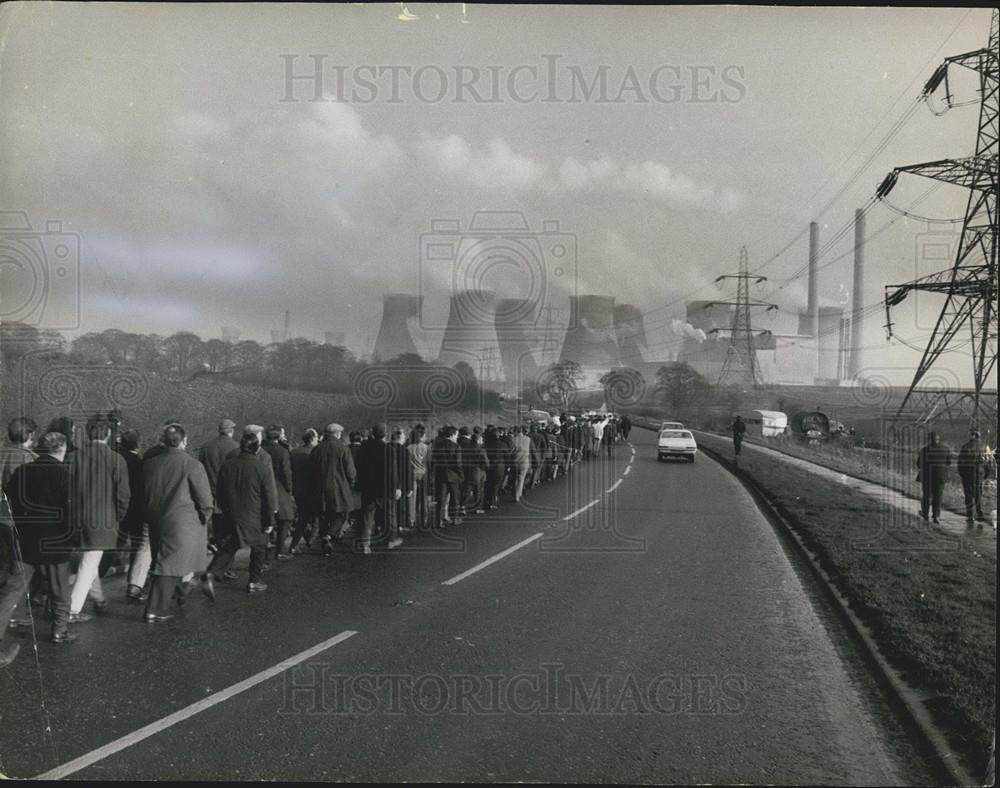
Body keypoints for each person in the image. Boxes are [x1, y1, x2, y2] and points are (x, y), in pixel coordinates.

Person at [0, 432, 77, 666]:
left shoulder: (23, 471)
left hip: (25, 540)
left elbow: (10, 497)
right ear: (61, 449)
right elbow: (71, 512)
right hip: (54, 542)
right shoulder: (65, 474)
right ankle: (59, 631)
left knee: (12, 591)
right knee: (59, 589)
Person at [144, 424, 215, 620]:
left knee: (169, 561)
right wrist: (205, 516)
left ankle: (182, 592)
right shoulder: (192, 465)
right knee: (171, 565)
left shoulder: (151, 463)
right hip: (183, 522)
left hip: (157, 520)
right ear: (184, 441)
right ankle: (155, 609)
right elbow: (205, 500)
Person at [68, 415, 130, 623]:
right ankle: (72, 609)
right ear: (109, 434)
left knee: (90, 558)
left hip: (76, 517)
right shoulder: (116, 459)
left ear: (87, 433)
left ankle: (98, 597)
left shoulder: (73, 457)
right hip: (103, 520)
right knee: (89, 562)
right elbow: (123, 496)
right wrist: (118, 516)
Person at [204, 431, 274, 594]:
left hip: (231, 513)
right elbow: (267, 496)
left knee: (231, 545)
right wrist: (269, 521)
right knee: (259, 547)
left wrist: (226, 509)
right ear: (257, 449)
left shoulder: (227, 465)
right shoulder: (261, 468)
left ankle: (211, 573)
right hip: (254, 515)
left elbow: (220, 491)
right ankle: (254, 581)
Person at [355, 424, 402, 553]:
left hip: (368, 487)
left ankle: (365, 544)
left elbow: (358, 467)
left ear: (373, 433)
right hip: (385, 488)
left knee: (367, 516)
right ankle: (391, 540)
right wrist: (396, 488)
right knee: (390, 514)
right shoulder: (388, 449)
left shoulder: (364, 449)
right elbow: (392, 472)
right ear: (385, 434)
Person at [311, 423, 356, 556]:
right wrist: (352, 482)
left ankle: (325, 536)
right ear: (337, 434)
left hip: (320, 487)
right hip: (339, 487)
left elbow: (311, 470)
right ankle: (329, 535)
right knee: (342, 514)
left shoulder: (317, 449)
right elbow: (351, 471)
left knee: (323, 514)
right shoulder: (342, 449)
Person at [118, 430, 151, 602]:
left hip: (120, 509)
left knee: (117, 544)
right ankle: (134, 582)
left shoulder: (118, 458)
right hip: (136, 509)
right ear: (137, 444)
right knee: (138, 547)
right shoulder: (138, 462)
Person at [198, 419, 239, 552]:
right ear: (231, 431)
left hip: (210, 491)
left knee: (215, 525)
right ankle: (224, 563)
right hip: (229, 493)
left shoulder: (206, 447)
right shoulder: (236, 447)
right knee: (228, 529)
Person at [261, 424, 295, 560]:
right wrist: (290, 488)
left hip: (263, 488)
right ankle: (280, 551)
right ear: (279, 435)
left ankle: (265, 548)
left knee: (266, 521)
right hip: (280, 489)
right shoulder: (283, 451)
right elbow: (286, 473)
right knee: (284, 521)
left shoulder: (260, 449)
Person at [289, 428, 320, 554]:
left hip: (298, 489)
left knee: (303, 515)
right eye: (317, 437)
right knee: (311, 516)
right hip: (312, 489)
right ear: (312, 439)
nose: (318, 439)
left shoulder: (294, 452)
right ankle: (301, 542)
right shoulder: (315, 452)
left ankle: (307, 539)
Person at [916, 431, 953, 524]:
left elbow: (919, 464)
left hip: (927, 477)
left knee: (926, 496)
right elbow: (948, 463)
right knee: (938, 496)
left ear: (929, 439)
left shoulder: (924, 450)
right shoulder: (946, 449)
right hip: (940, 477)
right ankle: (936, 516)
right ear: (938, 439)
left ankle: (925, 514)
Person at [432, 426, 464, 526]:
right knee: (455, 497)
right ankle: (454, 518)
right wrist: (461, 475)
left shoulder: (437, 445)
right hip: (453, 475)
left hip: (440, 474)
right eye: (456, 435)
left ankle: (439, 520)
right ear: (453, 434)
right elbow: (458, 464)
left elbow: (433, 461)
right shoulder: (456, 447)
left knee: (441, 498)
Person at [957, 429, 989, 524]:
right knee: (978, 494)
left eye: (970, 434)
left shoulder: (965, 447)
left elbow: (960, 463)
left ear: (972, 436)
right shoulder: (985, 447)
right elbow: (988, 462)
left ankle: (970, 515)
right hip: (980, 474)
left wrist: (962, 474)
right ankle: (980, 514)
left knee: (968, 495)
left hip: (968, 474)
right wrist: (986, 474)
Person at [389, 428, 413, 534]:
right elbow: (408, 469)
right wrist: (410, 486)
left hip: (388, 481)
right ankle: (400, 525)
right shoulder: (404, 450)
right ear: (400, 438)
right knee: (401, 506)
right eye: (403, 437)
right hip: (402, 482)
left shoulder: (386, 448)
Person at [406, 425, 430, 530]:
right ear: (421, 436)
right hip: (423, 474)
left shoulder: (408, 448)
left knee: (412, 499)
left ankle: (411, 520)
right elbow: (428, 462)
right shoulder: (426, 447)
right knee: (424, 499)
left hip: (412, 474)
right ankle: (424, 520)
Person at [512, 426, 532, 502]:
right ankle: (518, 494)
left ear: (516, 432)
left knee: (515, 478)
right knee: (521, 478)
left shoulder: (513, 440)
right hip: (525, 461)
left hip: (516, 461)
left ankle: (515, 494)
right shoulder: (528, 439)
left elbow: (512, 451)